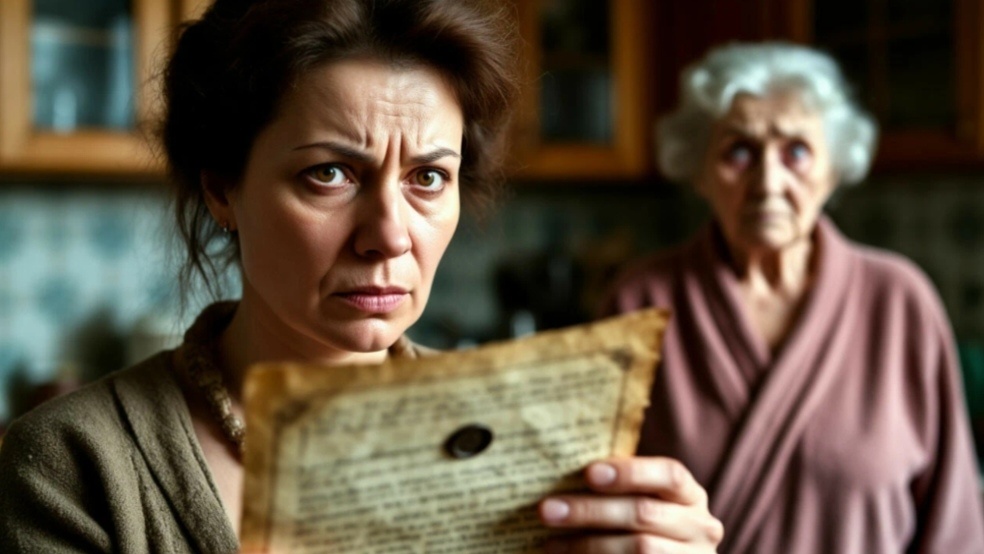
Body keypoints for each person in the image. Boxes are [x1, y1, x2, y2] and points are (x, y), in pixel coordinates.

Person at [0, 1, 723, 552]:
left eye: (428, 177)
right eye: (330, 173)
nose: (390, 236)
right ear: (222, 188)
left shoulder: (528, 450)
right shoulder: (72, 464)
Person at [602, 41, 984, 553]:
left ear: (833, 169)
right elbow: (603, 513)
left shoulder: (900, 302)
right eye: (739, 151)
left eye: (796, 152)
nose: (768, 182)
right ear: (699, 170)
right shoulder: (639, 302)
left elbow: (955, 526)